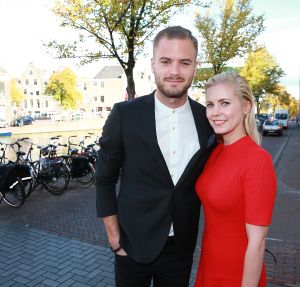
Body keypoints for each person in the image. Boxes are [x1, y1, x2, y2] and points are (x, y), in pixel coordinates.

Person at [95, 26, 216, 287]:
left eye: (184, 62)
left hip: (180, 251)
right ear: (152, 64)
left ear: (195, 65)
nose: (174, 71)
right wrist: (115, 239)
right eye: (165, 61)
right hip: (131, 246)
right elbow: (104, 180)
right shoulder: (124, 115)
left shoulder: (206, 120)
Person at [194, 71, 277, 287]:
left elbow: (257, 243)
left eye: (224, 103)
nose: (215, 112)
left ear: (246, 106)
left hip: (237, 276)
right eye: (210, 104)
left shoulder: (258, 161)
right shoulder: (217, 151)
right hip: (208, 267)